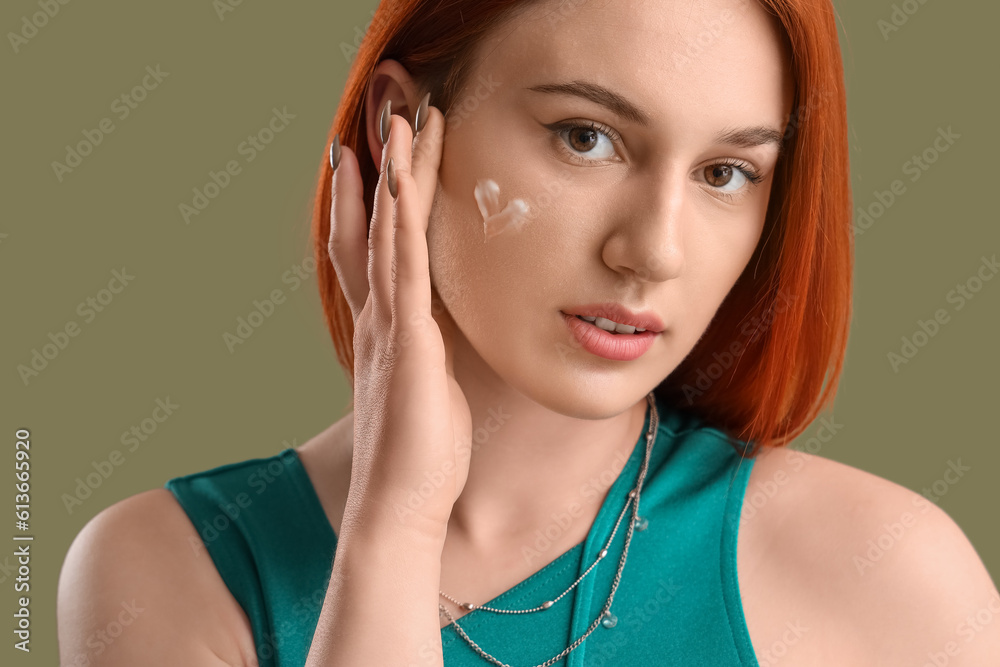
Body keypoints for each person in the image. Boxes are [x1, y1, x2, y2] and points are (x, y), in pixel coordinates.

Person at [57, 0, 1000, 665]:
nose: (655, 251)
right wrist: (394, 522)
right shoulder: (167, 571)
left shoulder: (885, 574)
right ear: (400, 128)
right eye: (586, 136)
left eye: (724, 173)